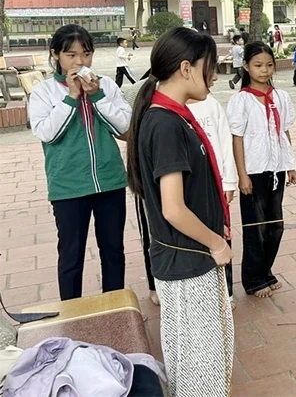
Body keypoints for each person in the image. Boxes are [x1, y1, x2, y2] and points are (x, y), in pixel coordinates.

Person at [126, 27, 233, 394]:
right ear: (186, 68)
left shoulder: (169, 115)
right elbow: (173, 209)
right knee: (199, 361)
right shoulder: (166, 123)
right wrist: (216, 243)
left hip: (187, 257)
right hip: (188, 259)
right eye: (211, 66)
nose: (216, 75)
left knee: (197, 353)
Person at [28, 24, 132, 301]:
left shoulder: (106, 85)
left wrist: (96, 96)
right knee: (71, 254)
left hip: (109, 181)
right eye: (71, 55)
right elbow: (48, 133)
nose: (80, 62)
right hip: (68, 186)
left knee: (113, 250)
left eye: (86, 54)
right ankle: (72, 313)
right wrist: (72, 97)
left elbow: (126, 129)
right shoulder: (44, 92)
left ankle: (115, 308)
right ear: (56, 55)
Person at [227, 42, 296, 298]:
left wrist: (290, 165)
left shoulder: (281, 97)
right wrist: (242, 174)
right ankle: (253, 279)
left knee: (275, 225)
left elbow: (284, 132)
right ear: (246, 66)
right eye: (258, 65)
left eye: (269, 65)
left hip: (276, 170)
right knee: (255, 226)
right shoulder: (241, 101)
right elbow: (237, 138)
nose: (264, 70)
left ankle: (266, 270)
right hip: (254, 172)